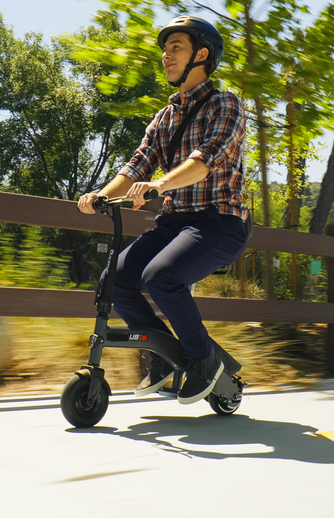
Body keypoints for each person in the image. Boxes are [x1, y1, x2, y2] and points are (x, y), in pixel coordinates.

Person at [77, 16, 249, 405]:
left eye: (176, 48)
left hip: (219, 222)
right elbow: (137, 164)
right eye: (164, 49)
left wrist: (160, 184)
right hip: (176, 223)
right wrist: (100, 195)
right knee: (114, 280)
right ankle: (164, 357)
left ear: (201, 55)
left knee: (161, 277)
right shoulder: (165, 116)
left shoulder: (226, 104)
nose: (165, 56)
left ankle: (204, 361)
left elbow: (207, 160)